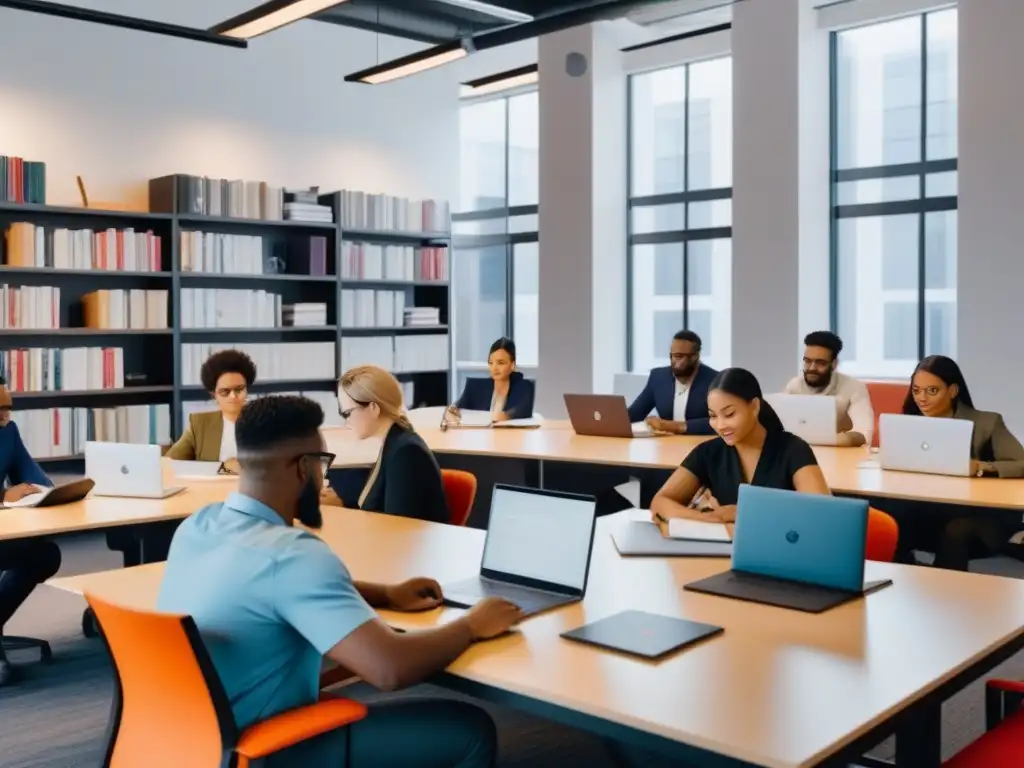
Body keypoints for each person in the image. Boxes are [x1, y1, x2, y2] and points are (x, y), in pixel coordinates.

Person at [157, 395, 522, 767]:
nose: (324, 477)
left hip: (196, 741)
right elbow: (389, 668)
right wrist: (472, 625)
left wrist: (385, 594)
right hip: (268, 747)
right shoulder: (294, 554)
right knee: (471, 728)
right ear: (303, 468)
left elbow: (264, 589)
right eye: (322, 463)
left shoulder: (198, 526)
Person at [651, 367, 830, 524]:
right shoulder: (708, 452)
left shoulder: (793, 449)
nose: (720, 425)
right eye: (713, 416)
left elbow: (823, 512)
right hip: (722, 554)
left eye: (729, 414)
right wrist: (710, 519)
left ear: (754, 407)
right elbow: (660, 502)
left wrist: (743, 513)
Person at [895, 355, 1024, 570]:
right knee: (887, 517)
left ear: (953, 391)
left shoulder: (987, 423)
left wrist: (982, 467)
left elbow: (1022, 462)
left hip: (979, 514)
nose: (922, 398)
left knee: (955, 530)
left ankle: (945, 594)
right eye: (916, 390)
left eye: (932, 391)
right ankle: (902, 578)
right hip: (929, 507)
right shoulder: (908, 423)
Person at [321, 365, 450, 524]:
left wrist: (342, 509)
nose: (346, 421)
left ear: (373, 408)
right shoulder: (395, 441)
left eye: (347, 413)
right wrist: (341, 504)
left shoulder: (406, 453)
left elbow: (396, 527)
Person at [0, 378, 60, 685]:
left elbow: (31, 474)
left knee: (45, 555)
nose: (4, 417)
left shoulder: (7, 431)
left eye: (7, 409)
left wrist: (42, 490)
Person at [782, 330, 874, 447]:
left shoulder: (854, 387)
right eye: (807, 361)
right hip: (799, 454)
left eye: (820, 363)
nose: (812, 368)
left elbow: (864, 434)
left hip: (839, 456)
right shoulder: (794, 386)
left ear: (834, 364)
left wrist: (835, 440)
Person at [165, 349, 257, 462]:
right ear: (214, 395)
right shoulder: (199, 424)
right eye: (225, 391)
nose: (233, 396)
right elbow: (169, 461)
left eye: (239, 389)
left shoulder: (263, 422)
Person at [627, 330, 718, 435]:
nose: (674, 361)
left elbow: (719, 421)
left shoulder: (715, 380)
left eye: (679, 356)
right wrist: (609, 418)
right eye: (672, 356)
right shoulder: (658, 377)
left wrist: (675, 426)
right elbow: (634, 413)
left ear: (695, 357)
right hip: (667, 446)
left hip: (701, 444)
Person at [448, 337, 534, 422]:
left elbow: (522, 410)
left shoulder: (525, 387)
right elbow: (456, 407)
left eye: (500, 363)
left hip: (510, 435)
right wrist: (452, 411)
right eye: (491, 363)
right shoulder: (474, 386)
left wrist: (506, 416)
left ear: (512, 365)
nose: (494, 368)